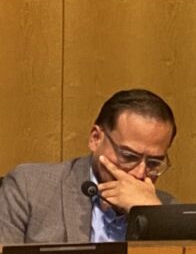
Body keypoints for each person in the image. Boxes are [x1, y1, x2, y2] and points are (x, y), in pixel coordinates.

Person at [0, 89, 178, 244]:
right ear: (95, 138)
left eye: (154, 163)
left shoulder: (166, 209)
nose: (140, 173)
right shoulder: (29, 188)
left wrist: (153, 218)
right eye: (129, 156)